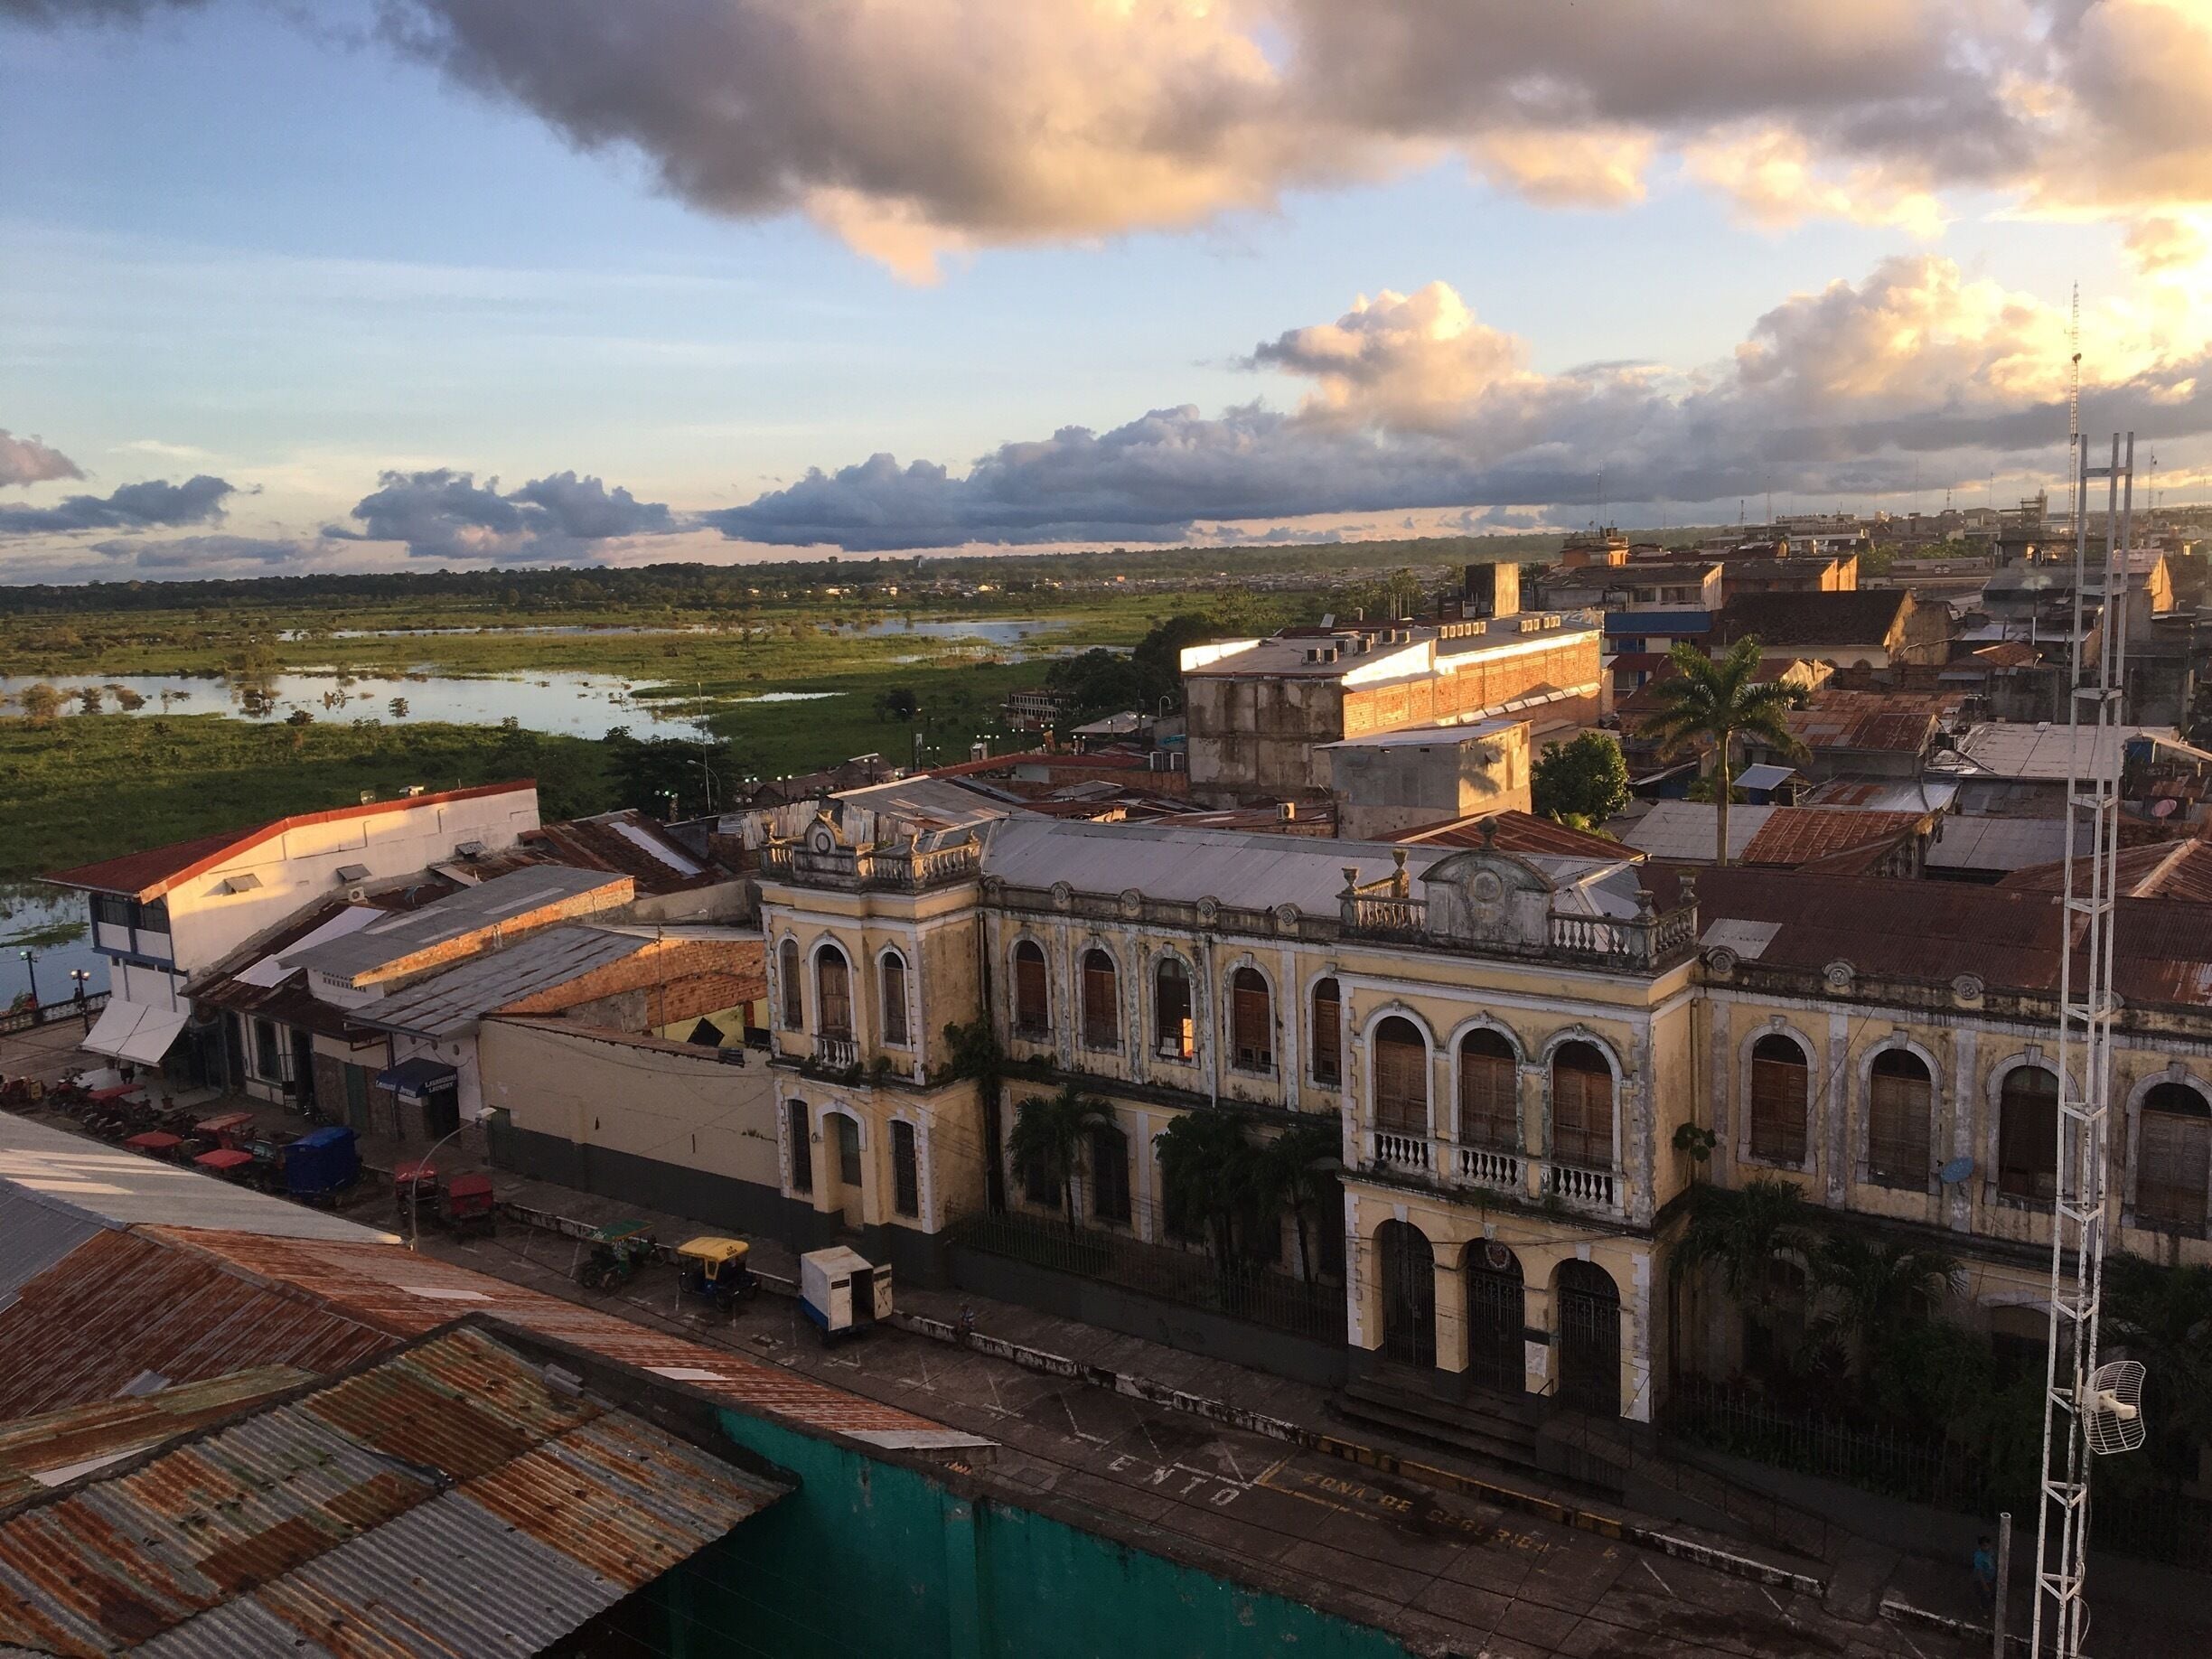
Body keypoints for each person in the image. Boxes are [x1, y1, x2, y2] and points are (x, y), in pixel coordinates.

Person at [1972, 1535, 1997, 1610]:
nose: (1987, 1547)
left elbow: (1993, 1560)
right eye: (1985, 1546)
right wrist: (1984, 1585)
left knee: (1992, 1591)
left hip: (1991, 1577)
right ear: (1981, 1546)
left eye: (1988, 1545)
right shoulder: (1979, 1557)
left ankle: (1991, 1603)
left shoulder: (1990, 1551)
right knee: (1984, 1594)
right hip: (1982, 1580)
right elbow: (1979, 1573)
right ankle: (1984, 1609)